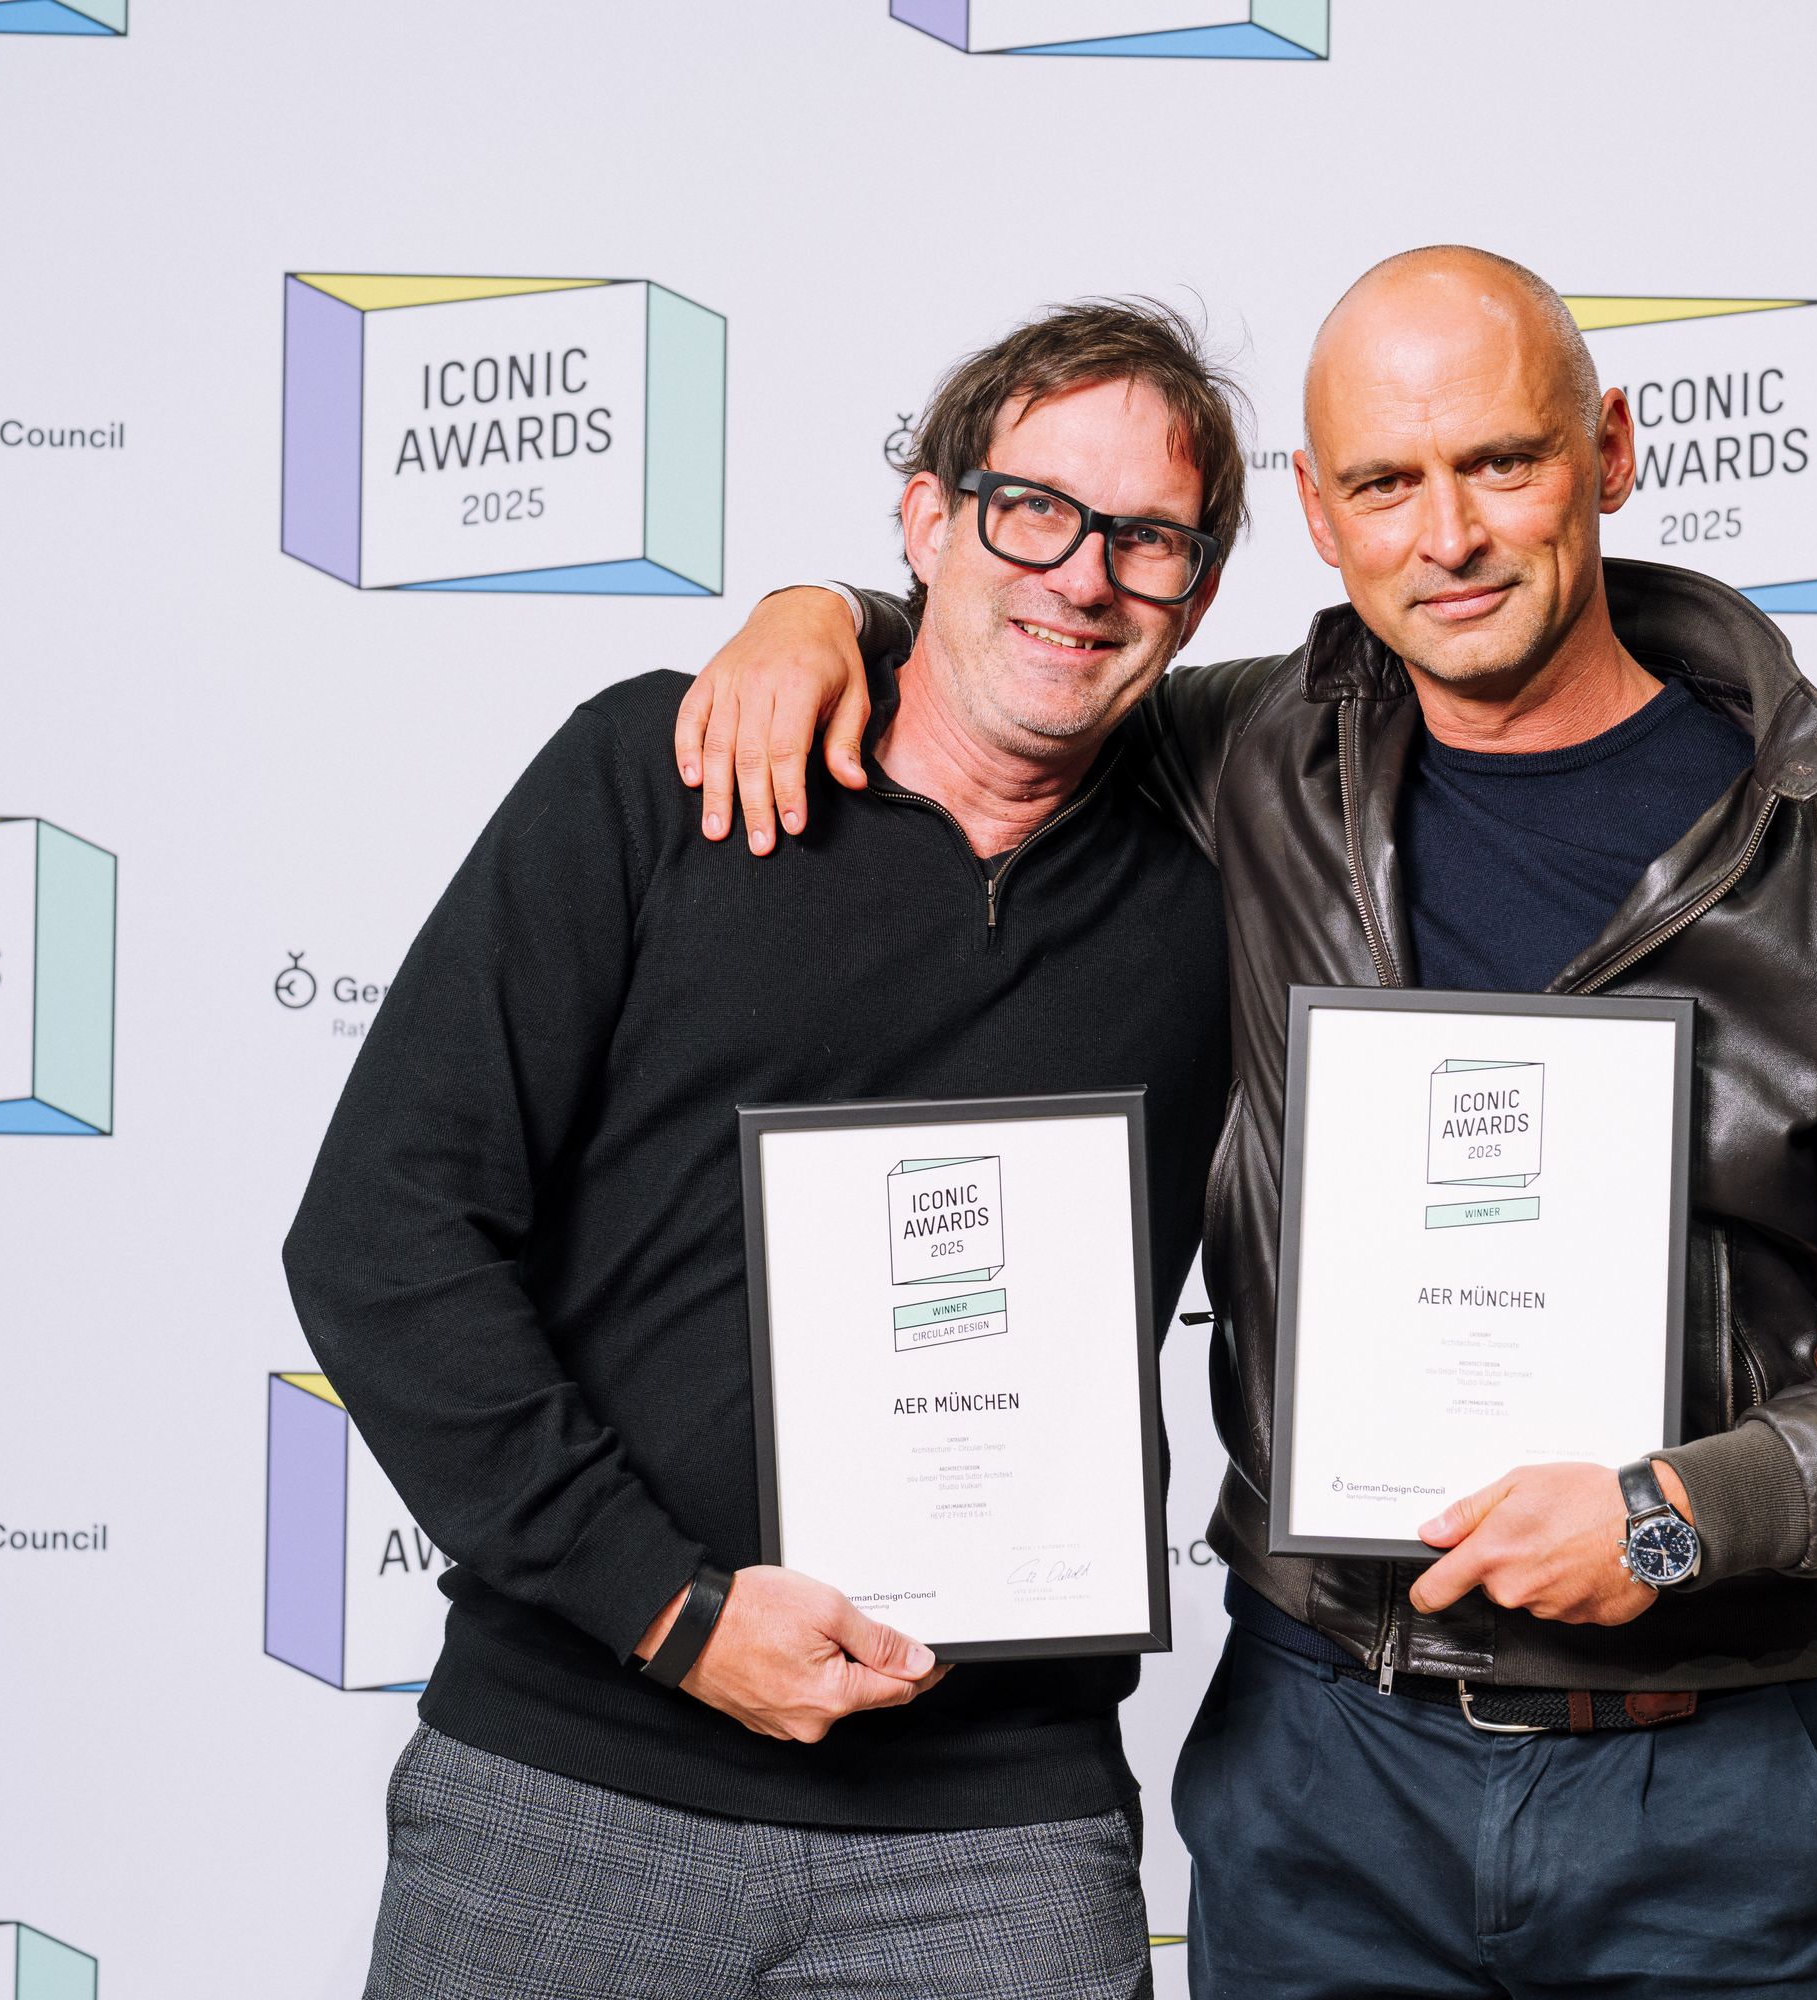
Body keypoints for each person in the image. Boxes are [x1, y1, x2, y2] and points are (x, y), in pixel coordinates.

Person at [669, 245, 1817, 1998]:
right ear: (1320, 519)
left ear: (1609, 452)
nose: (1451, 536)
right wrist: (819, 614)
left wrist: (1673, 1511)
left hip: (1698, 1788)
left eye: (1502, 462)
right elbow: (1036, 640)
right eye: (1387, 484)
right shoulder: (1260, 752)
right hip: (1321, 1756)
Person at [281, 299, 1251, 2000]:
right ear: (925, 520)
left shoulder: (1229, 879)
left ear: (1202, 591)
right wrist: (669, 1612)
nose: (1083, 576)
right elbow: (384, 1232)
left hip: (999, 1837)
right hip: (569, 1782)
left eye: (1147, 538)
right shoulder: (658, 776)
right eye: (1031, 510)